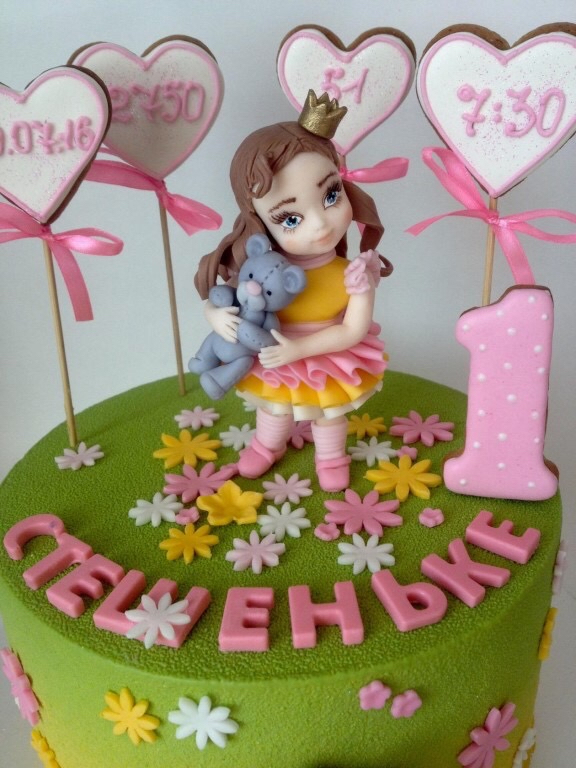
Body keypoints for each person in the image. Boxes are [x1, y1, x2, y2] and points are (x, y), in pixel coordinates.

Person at [194, 91, 391, 492]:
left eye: (331, 195)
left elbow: (353, 330)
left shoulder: (352, 274)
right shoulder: (262, 267)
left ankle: (331, 457)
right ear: (260, 221)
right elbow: (226, 298)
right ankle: (267, 445)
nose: (319, 224)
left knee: (328, 413)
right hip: (273, 350)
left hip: (325, 354)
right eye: (290, 218)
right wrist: (215, 316)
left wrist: (299, 350)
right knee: (274, 408)